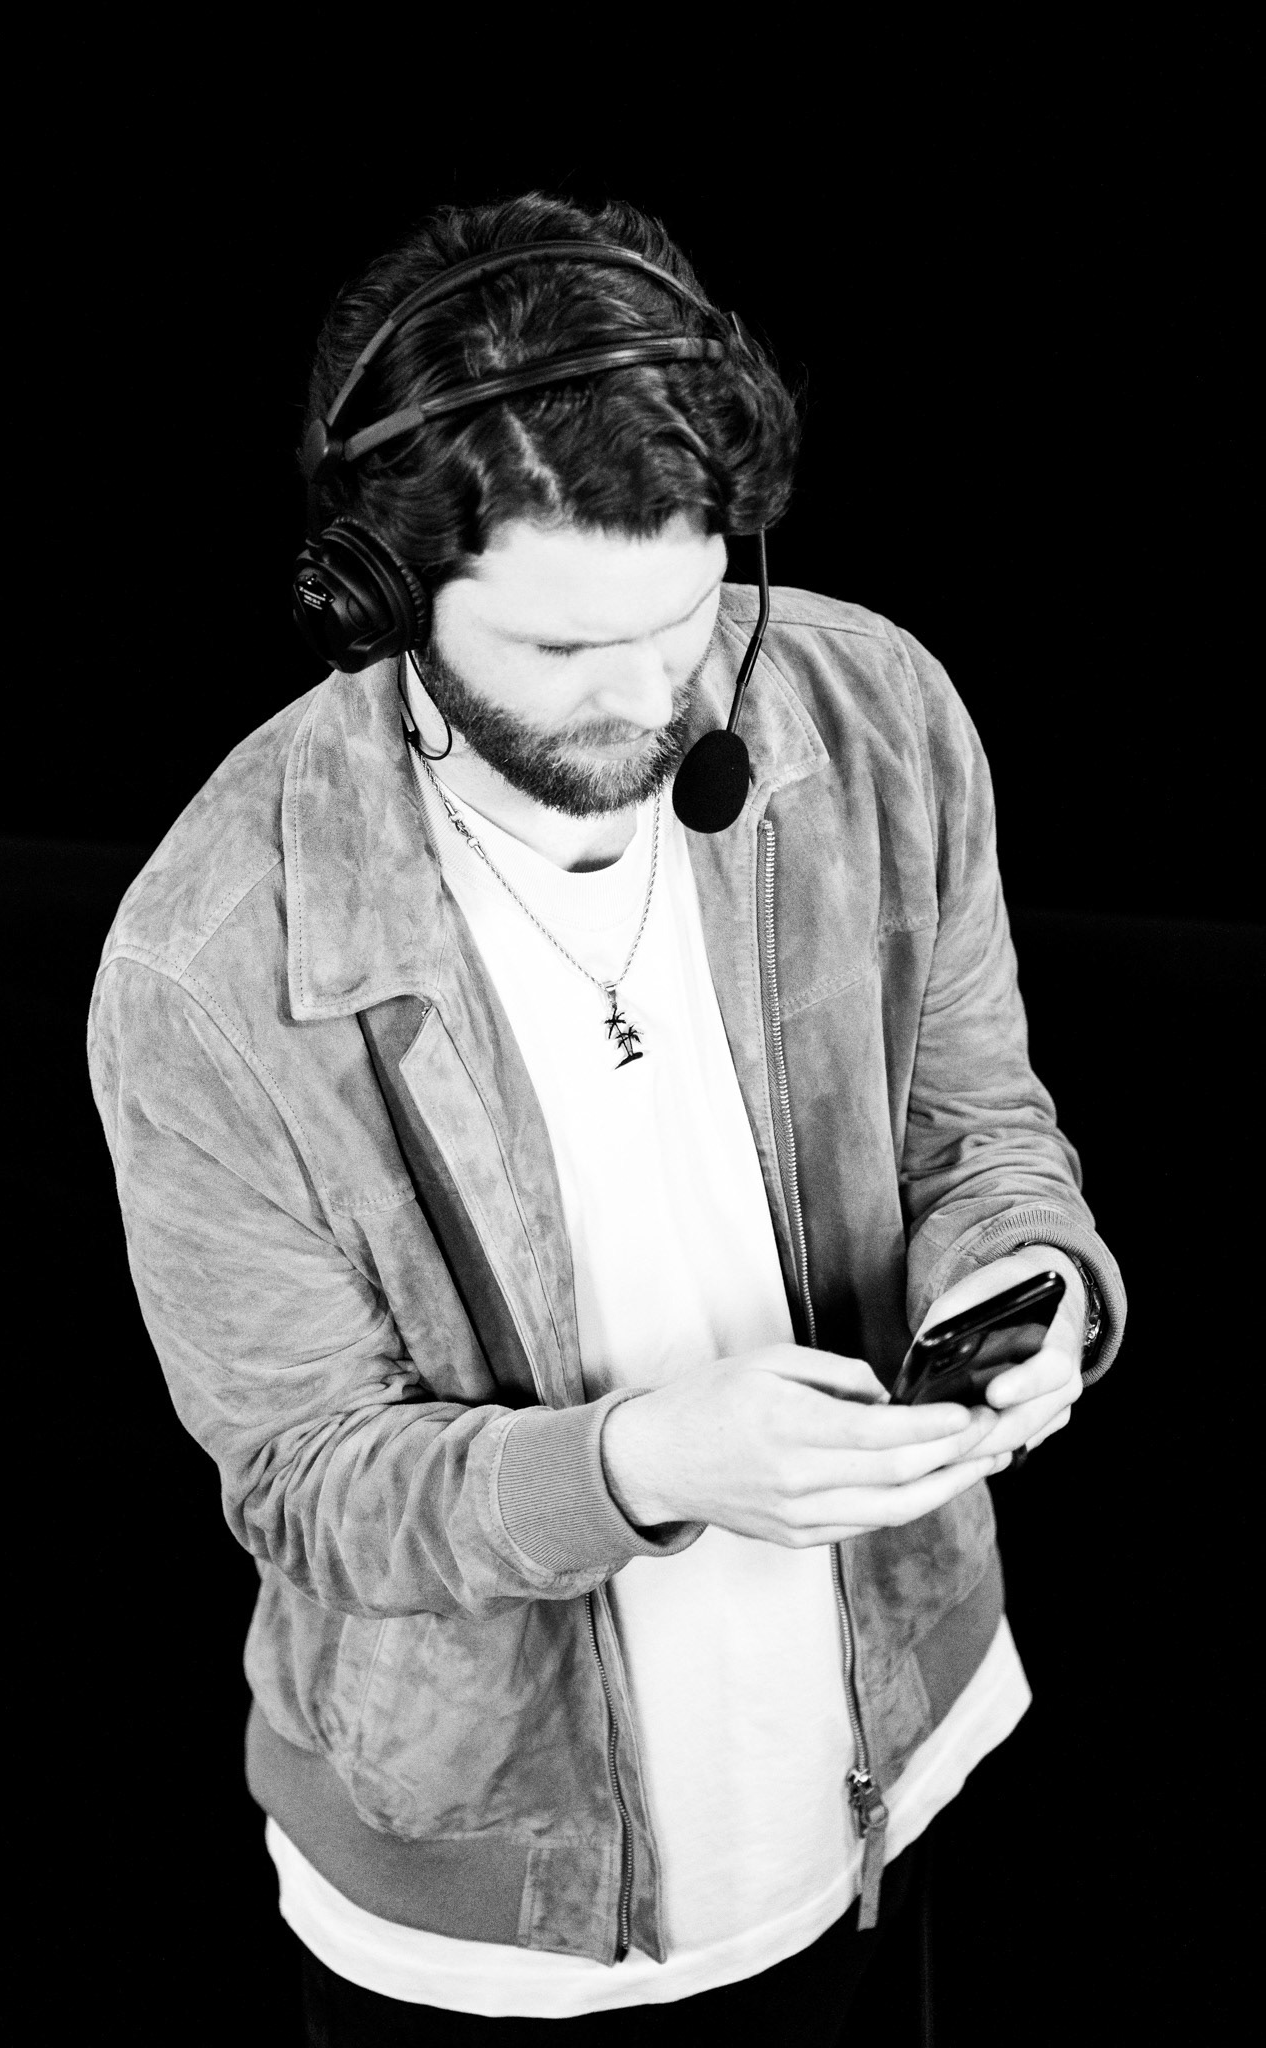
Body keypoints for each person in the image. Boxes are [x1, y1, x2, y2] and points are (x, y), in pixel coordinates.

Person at [87, 191, 1126, 2047]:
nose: (649, 701)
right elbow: (308, 1483)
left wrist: (1024, 1275)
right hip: (488, 1928)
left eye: (680, 618)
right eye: (564, 652)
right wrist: (644, 1467)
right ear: (377, 599)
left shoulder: (873, 713)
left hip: (889, 1764)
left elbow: (977, 1124)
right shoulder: (207, 960)